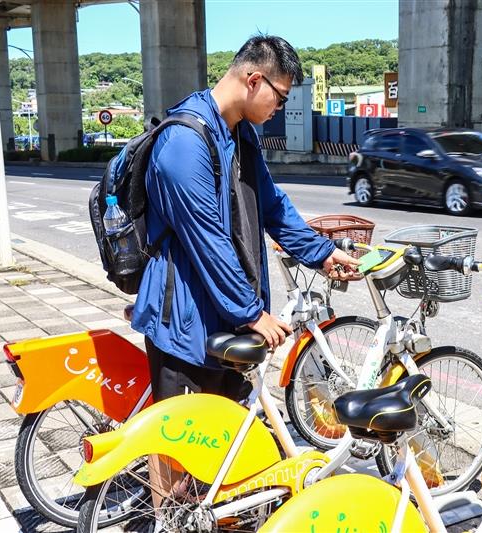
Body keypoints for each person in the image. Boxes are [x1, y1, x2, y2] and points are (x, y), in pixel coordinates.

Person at [130, 34, 359, 514]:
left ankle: (212, 516)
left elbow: (271, 204)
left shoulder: (239, 132)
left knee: (225, 440)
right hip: (183, 321)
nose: (280, 105)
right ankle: (164, 520)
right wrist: (252, 312)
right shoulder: (183, 145)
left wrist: (320, 252)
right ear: (253, 80)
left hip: (225, 318)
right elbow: (207, 241)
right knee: (177, 445)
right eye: (279, 95)